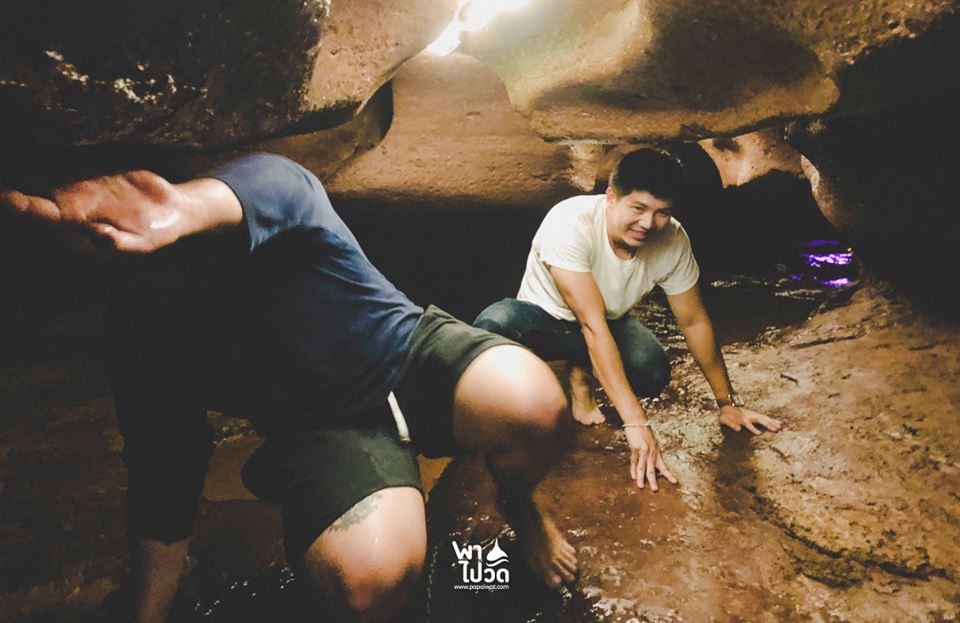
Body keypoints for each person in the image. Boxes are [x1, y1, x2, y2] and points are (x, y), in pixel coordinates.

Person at [1, 153, 578, 623]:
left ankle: (521, 506)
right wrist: (147, 617)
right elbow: (164, 473)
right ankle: (308, 479)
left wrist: (175, 206)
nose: (102, 236)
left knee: (531, 402)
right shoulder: (137, 332)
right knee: (369, 582)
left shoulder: (258, 187)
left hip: (406, 355)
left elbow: (255, 191)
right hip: (323, 430)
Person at [473, 148, 783, 492]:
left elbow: (694, 320)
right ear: (611, 198)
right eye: (638, 208)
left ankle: (582, 372)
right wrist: (636, 424)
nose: (648, 224)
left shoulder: (673, 240)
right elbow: (590, 325)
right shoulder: (569, 223)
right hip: (544, 320)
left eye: (662, 212)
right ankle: (570, 377)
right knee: (493, 325)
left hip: (608, 321)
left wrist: (726, 403)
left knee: (652, 371)